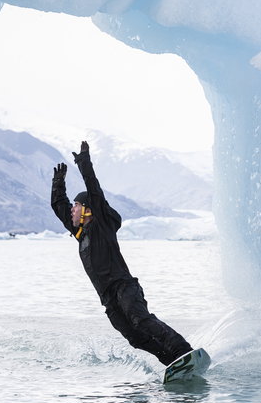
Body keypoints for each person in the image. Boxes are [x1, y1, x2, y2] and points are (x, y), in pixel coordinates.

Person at [51, 140, 194, 366]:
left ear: (88, 209)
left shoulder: (102, 225)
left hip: (124, 286)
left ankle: (183, 350)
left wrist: (84, 163)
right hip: (107, 297)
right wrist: (58, 183)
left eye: (76, 205)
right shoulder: (80, 232)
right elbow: (59, 206)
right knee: (134, 338)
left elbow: (95, 191)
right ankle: (173, 363)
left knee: (142, 321)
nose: (72, 209)